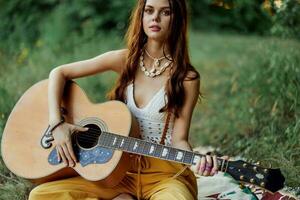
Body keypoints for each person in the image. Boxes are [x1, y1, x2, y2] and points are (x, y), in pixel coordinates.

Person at [29, 0, 223, 199]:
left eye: (165, 12)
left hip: (163, 175)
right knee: (41, 195)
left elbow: (179, 139)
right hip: (117, 172)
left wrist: (196, 161)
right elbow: (59, 73)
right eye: (149, 11)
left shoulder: (186, 78)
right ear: (141, 16)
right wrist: (57, 124)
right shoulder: (125, 60)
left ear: (178, 20)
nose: (155, 18)